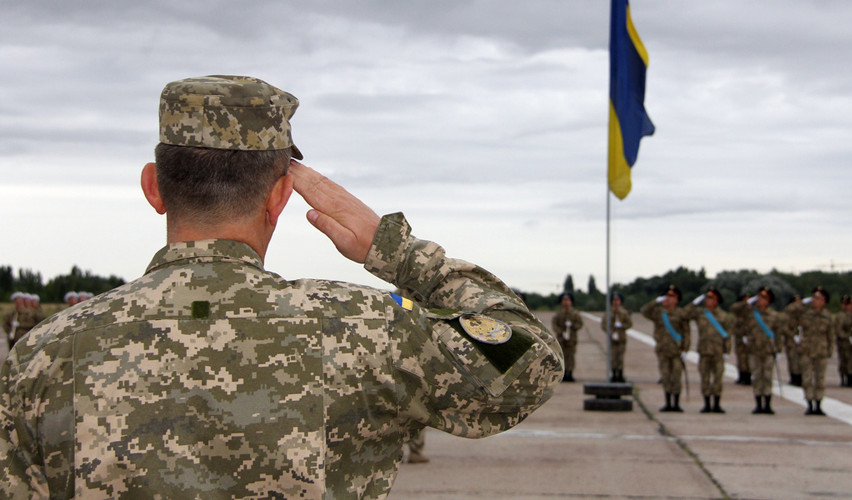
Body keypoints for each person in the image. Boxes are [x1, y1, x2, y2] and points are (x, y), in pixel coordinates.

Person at [0, 75, 563, 498]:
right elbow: (527, 360)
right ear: (280, 197)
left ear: (154, 187)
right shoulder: (364, 329)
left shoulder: (43, 355)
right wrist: (397, 252)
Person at [731, 287, 783, 415]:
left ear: (769, 300)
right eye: (759, 297)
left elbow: (778, 333)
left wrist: (779, 350)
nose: (760, 300)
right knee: (756, 377)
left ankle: (768, 404)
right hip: (754, 350)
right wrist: (748, 302)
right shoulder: (750, 313)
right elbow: (734, 309)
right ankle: (758, 404)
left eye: (764, 298)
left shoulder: (774, 315)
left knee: (767, 377)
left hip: (768, 350)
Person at [642, 285, 690, 412]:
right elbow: (644, 312)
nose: (668, 298)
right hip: (663, 350)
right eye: (667, 296)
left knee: (676, 377)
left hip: (676, 351)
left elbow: (686, 333)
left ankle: (676, 404)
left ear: (677, 299)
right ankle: (668, 403)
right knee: (666, 377)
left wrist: (685, 349)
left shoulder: (681, 313)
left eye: (671, 296)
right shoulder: (659, 312)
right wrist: (655, 302)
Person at [684, 286, 732, 413]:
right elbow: (685, 314)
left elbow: (728, 334)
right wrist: (694, 303)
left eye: (711, 298)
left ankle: (716, 404)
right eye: (706, 297)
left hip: (718, 352)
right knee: (705, 378)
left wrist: (727, 351)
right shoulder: (700, 313)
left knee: (717, 379)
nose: (708, 300)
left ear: (717, 300)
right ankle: (706, 404)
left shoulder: (723, 316)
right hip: (704, 351)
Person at [788, 286, 835, 416]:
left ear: (824, 301)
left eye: (818, 298)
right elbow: (789, 310)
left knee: (820, 379)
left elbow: (830, 335)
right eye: (814, 297)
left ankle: (818, 404)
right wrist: (803, 302)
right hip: (806, 351)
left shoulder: (828, 316)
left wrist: (830, 350)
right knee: (807, 379)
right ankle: (809, 403)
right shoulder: (804, 313)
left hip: (821, 351)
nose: (815, 300)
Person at [552, 292, 584, 382]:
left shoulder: (575, 313)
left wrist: (573, 326)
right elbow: (555, 324)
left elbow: (580, 324)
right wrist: (560, 332)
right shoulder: (559, 313)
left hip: (571, 339)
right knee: (562, 356)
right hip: (561, 339)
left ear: (571, 302)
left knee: (570, 356)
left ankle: (570, 373)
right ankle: (563, 373)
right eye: (564, 300)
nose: (566, 302)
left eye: (568, 300)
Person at [603, 292, 632, 383]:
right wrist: (610, 331)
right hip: (612, 339)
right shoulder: (608, 313)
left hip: (621, 339)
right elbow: (604, 324)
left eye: (617, 300)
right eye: (614, 300)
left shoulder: (624, 313)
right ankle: (614, 374)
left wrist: (622, 326)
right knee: (613, 357)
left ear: (620, 302)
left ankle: (620, 374)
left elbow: (629, 324)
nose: (615, 302)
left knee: (620, 357)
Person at [782, 295, 805, 386]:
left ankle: (800, 377)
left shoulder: (804, 313)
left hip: (802, 340)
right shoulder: (788, 313)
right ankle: (794, 378)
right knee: (793, 360)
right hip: (791, 340)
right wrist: (792, 335)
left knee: (802, 360)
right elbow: (785, 327)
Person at [732, 294, 752, 386]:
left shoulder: (751, 311)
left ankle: (747, 377)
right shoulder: (738, 310)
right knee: (741, 358)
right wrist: (744, 303)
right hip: (740, 337)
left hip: (750, 338)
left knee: (748, 359)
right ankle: (741, 376)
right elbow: (734, 307)